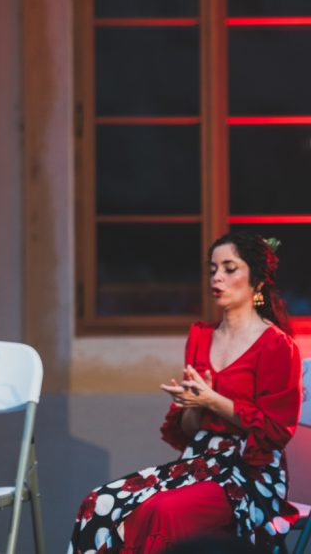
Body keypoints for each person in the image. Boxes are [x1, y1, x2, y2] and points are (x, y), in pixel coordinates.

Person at [69, 231, 302, 553]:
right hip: (199, 461)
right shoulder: (200, 337)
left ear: (258, 281)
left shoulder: (277, 345)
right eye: (212, 269)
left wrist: (211, 399)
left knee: (161, 510)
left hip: (250, 472)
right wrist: (192, 404)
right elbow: (191, 429)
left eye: (229, 269)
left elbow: (276, 431)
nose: (217, 277)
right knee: (98, 501)